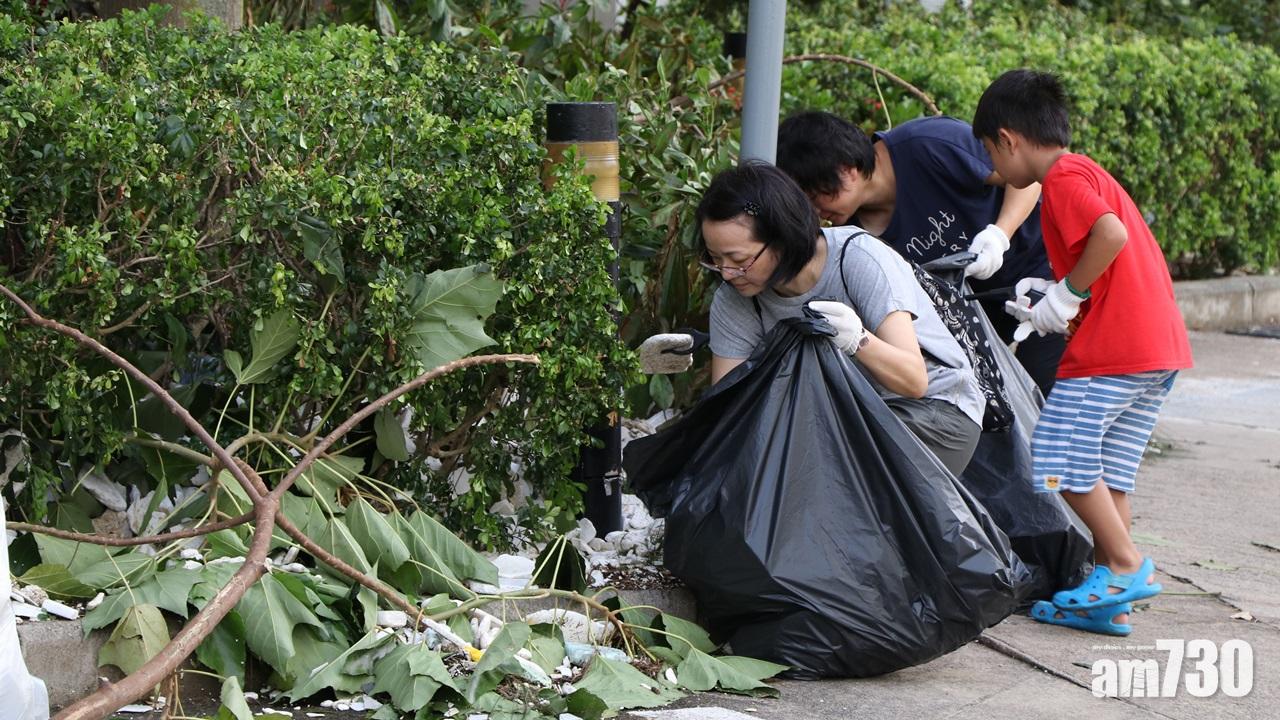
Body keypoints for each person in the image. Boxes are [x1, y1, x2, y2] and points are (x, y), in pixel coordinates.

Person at [971, 69, 1193, 635]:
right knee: (1107, 475)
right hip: (1155, 348)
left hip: (1115, 349)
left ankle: (1123, 563)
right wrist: (1053, 296)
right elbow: (1111, 257)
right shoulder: (1085, 170)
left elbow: (1110, 236)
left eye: (991, 156)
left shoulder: (1062, 179)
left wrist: (1068, 294)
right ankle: (1108, 596)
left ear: (1009, 139)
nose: (994, 173)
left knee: (1056, 459)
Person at [699, 162, 985, 476]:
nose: (727, 273)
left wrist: (856, 339)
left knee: (820, 466)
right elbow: (730, 409)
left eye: (739, 260)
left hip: (933, 413)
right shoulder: (735, 298)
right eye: (715, 259)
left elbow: (914, 380)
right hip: (838, 420)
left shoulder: (857, 257)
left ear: (781, 238)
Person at [776, 111, 1064, 396]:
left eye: (814, 197)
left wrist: (1000, 234)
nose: (815, 212)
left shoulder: (928, 145)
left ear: (846, 170)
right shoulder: (851, 236)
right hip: (975, 314)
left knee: (1048, 393)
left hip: (1039, 277)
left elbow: (1028, 175)